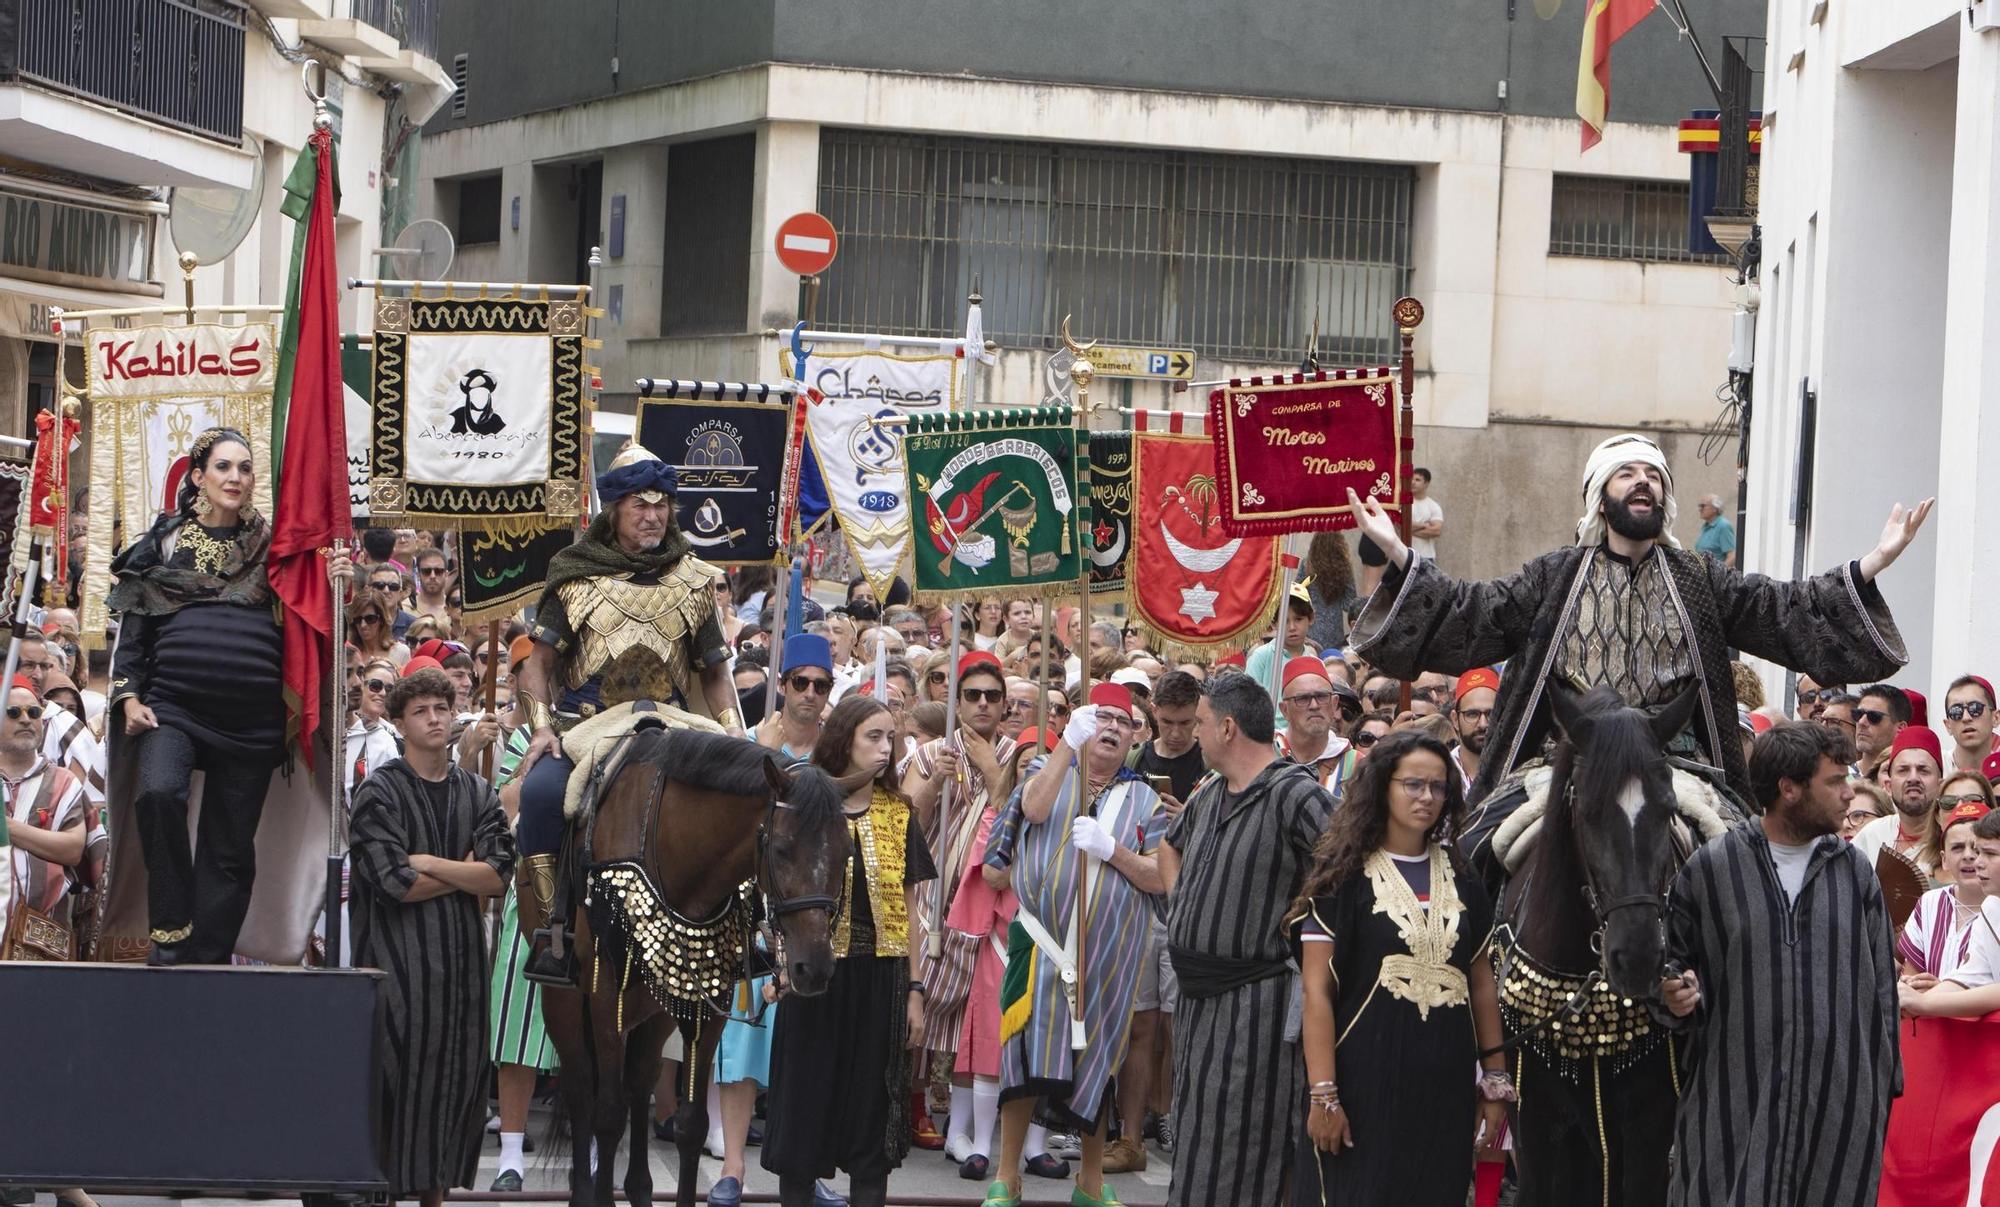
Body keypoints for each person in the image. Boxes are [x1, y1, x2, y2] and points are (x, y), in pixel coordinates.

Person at [1343, 432, 1925, 819]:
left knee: (1739, 857)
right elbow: (1472, 615)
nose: (1642, 481)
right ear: (1601, 496)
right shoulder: (1555, 574)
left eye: (1652, 473)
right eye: (1626, 474)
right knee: (1485, 846)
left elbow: (1784, 608)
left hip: (1680, 763)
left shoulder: (1700, 577)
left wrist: (1871, 564)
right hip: (1562, 762)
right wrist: (1398, 553)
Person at [510, 445, 740, 984]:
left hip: (672, 725)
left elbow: (713, 672)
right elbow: (537, 664)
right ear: (614, 509)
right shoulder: (572, 576)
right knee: (542, 795)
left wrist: (737, 735)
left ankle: (741, 932)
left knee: (744, 796)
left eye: (662, 506)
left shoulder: (695, 581)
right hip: (588, 725)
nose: (653, 516)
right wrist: (542, 729)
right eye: (641, 505)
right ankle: (553, 931)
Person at [1656, 722, 1898, 1207]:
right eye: (1834, 781)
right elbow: (1670, 976)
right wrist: (1674, 997)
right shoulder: (1711, 871)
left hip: (1838, 1122)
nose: (1849, 793)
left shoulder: (1854, 873)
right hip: (1734, 1112)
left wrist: (1877, 1092)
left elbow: (1882, 996)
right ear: (1789, 789)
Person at [1285, 729, 1503, 1207]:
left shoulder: (1463, 876)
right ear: (1383, 785)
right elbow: (1316, 992)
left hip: (1444, 1084)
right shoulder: (1342, 877)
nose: (1427, 797)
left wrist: (1495, 1079)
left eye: (1438, 787)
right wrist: (1324, 1094)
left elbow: (1482, 984)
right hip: (1362, 1083)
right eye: (1413, 785)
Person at [106, 427, 287, 965]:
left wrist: (335, 579)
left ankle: (207, 961)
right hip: (173, 709)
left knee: (228, 850)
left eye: (245, 468)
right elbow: (133, 637)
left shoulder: (276, 548)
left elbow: (312, 615)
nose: (236, 477)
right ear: (198, 477)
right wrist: (127, 697)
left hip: (252, 721)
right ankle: (169, 929)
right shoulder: (163, 544)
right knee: (159, 794)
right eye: (224, 467)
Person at [982, 683, 1166, 1207]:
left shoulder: (1146, 799)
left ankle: (1089, 1182)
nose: (1110, 727)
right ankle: (1006, 1176)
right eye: (1102, 717)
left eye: (1122, 721)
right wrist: (1066, 744)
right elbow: (1034, 811)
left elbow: (1159, 878)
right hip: (1040, 943)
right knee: (1022, 1053)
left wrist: (1113, 852)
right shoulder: (1048, 770)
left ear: (1134, 736)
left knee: (1098, 1061)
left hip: (1110, 954)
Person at [1159, 673, 1337, 1207]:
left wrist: (1305, 930)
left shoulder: (1294, 792)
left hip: (1254, 1005)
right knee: (1194, 1138)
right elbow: (1171, 847)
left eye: (1203, 723)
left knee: (1240, 1142)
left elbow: (1350, 866)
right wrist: (1184, 901)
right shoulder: (1211, 791)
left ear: (1229, 727)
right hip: (1196, 1004)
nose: (1195, 734)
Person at [762, 696, 936, 1207]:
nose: (886, 749)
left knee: (871, 1122)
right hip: (816, 976)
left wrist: (915, 989)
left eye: (890, 739)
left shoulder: (898, 813)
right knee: (803, 1114)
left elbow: (911, 910)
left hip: (881, 979)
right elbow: (779, 892)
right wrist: (781, 965)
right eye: (874, 737)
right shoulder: (804, 803)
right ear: (843, 740)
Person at [349, 667, 513, 1207]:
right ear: (398, 722)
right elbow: (393, 883)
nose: (435, 718)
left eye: (441, 708)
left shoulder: (478, 792)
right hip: (398, 968)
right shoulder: (379, 792)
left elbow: (497, 876)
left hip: (464, 968)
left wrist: (432, 864)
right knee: (397, 1086)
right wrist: (462, 873)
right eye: (420, 710)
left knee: (453, 1086)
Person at [902, 650, 1018, 1156]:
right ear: (955, 700)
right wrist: (934, 781)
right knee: (920, 1002)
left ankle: (965, 1120)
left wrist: (993, 769)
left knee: (975, 1009)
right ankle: (912, 1103)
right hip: (931, 893)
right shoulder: (932, 754)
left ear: (1005, 703)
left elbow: (1016, 820)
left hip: (984, 902)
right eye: (972, 696)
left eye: (993, 696)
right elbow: (905, 821)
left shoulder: (1017, 754)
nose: (982, 705)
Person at [0, 680, 87, 960]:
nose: (25, 719)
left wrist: (8, 827)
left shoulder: (63, 781)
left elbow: (73, 849)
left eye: (34, 713)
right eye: (13, 713)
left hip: (39, 940)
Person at [1896, 795, 1993, 979]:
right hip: (1925, 1006)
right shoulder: (1929, 903)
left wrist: (1939, 996)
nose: (1968, 855)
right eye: (1957, 848)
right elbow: (1910, 978)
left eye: (1977, 847)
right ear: (1944, 860)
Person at [1851, 726, 1944, 878]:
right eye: (1903, 770)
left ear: (1941, 785)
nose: (1913, 778)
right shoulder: (1872, 835)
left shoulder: (1952, 839)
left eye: (1923, 770)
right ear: (1888, 786)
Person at [755, 635, 835, 764]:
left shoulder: (836, 750)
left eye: (821, 685)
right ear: (782, 686)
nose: (810, 694)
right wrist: (764, 752)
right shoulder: (751, 741)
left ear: (829, 691)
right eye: (800, 683)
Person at [1273, 656, 1350, 791]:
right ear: (1284, 710)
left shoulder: (1357, 765)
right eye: (1302, 698)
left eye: (1321, 696)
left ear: (1334, 704)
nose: (1314, 705)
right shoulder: (1265, 756)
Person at [1244, 583, 1317, 719]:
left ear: (1311, 618)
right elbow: (1247, 701)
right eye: (1285, 620)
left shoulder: (1314, 662)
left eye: (1298, 619)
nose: (1292, 627)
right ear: (1273, 623)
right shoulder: (1261, 657)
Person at [1449, 667, 1498, 788]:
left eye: (1491, 714)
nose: (1483, 724)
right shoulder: (1441, 772)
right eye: (1472, 714)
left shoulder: (1516, 771)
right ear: (1455, 719)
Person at [1942, 674, 1999, 775]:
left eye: (1975, 708)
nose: (1966, 718)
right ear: (1948, 725)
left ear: (1995, 718)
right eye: (1956, 711)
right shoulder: (1937, 769)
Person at [1853, 683, 1911, 781]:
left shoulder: (1909, 783)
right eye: (1858, 714)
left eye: (1874, 717)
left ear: (1901, 728)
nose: (1862, 722)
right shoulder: (1838, 778)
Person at [1408, 467, 1444, 563]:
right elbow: (1402, 526)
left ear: (1426, 484)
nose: (1412, 482)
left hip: (1426, 557)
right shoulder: (1404, 504)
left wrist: (1410, 530)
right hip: (1405, 556)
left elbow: (1436, 531)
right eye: (1411, 479)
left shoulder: (1433, 506)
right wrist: (1425, 525)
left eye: (1417, 480)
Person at [411, 547, 455, 626]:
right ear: (418, 575)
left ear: (446, 574)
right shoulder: (404, 607)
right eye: (426, 571)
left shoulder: (456, 607)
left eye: (438, 571)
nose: (432, 576)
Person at [1693, 492, 1736, 567]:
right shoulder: (1706, 526)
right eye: (1699, 506)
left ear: (1715, 509)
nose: (1700, 509)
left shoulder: (1723, 526)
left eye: (1703, 506)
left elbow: (1732, 555)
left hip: (1714, 576)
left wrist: (1720, 574)